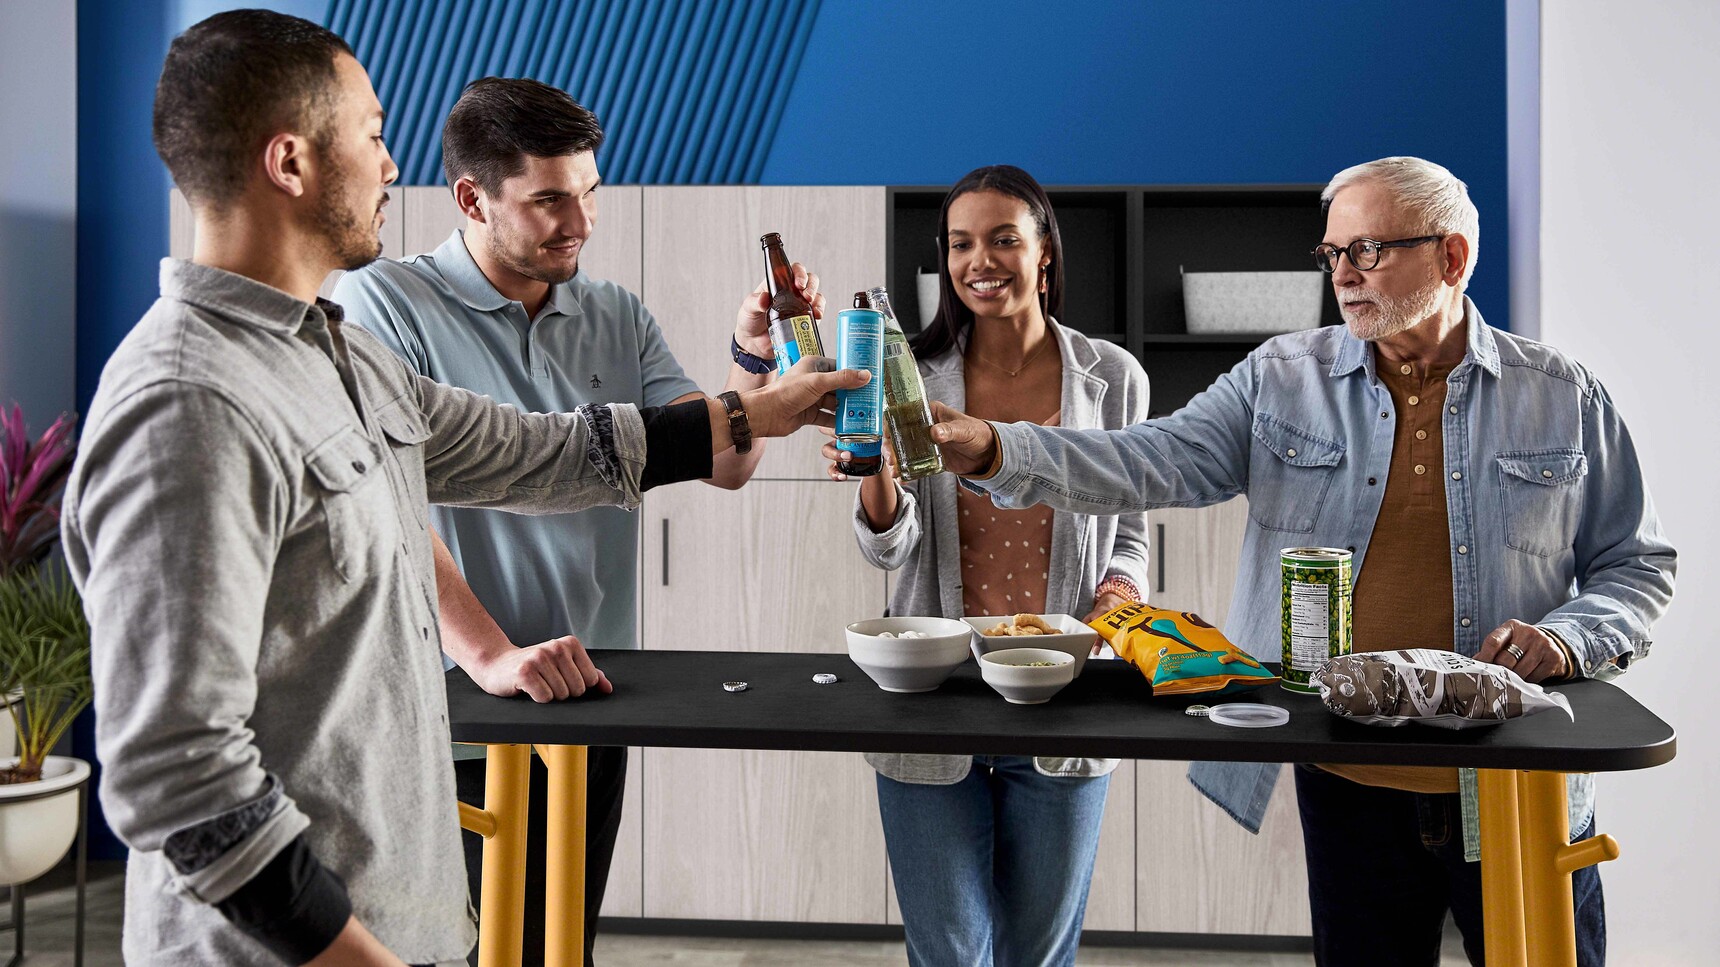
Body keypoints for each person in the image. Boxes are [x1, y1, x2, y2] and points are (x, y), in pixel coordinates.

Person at [60, 11, 861, 966]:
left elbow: (540, 452)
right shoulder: (188, 401)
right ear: (290, 163)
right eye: (373, 134)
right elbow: (178, 776)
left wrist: (759, 407)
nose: (391, 166)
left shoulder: (339, 353)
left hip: (408, 916)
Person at [919, 157, 1675, 967]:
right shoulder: (1280, 379)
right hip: (1349, 782)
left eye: (1369, 251)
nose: (1343, 276)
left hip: (1517, 787)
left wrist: (1567, 639)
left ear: (1452, 258)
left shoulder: (1562, 395)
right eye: (1333, 254)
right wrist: (996, 446)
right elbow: (1148, 459)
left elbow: (1636, 565)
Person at [333, 77, 819, 965]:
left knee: (563, 951)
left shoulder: (615, 314)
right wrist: (489, 654)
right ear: (472, 197)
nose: (581, 222)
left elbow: (728, 460)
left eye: (589, 192)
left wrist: (753, 358)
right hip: (452, 708)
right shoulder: (383, 306)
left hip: (592, 696)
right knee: (464, 952)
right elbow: (384, 503)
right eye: (550, 199)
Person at [834, 165, 1150, 967]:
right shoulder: (908, 377)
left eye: (1005, 238)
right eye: (961, 243)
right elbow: (888, 547)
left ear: (1045, 253)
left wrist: (1117, 596)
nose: (982, 260)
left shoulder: (1112, 380)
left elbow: (1132, 536)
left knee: (1039, 955)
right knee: (949, 953)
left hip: (1065, 692)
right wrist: (873, 468)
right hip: (933, 696)